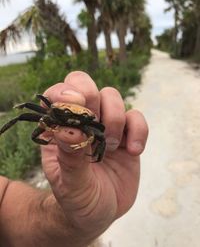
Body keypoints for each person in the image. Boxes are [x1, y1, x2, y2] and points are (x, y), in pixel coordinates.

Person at [0, 71, 148, 247]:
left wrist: (79, 223)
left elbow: (5, 202)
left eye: (78, 116)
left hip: (85, 132)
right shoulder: (50, 115)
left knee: (99, 136)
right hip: (64, 118)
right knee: (21, 117)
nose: (72, 117)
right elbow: (30, 111)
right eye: (66, 113)